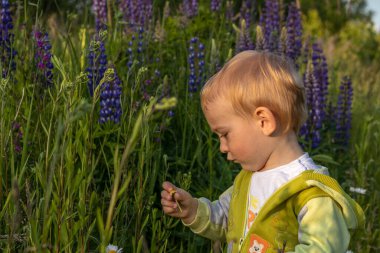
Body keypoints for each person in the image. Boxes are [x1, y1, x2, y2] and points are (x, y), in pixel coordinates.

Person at [161, 50, 365, 253]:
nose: (222, 147)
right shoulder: (247, 179)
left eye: (225, 134)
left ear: (263, 121)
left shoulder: (310, 193)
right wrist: (193, 210)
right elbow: (227, 218)